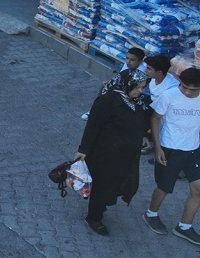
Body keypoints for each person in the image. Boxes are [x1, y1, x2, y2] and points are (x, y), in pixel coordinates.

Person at [75, 72, 153, 235]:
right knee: (102, 185)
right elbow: (93, 126)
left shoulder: (138, 101)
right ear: (127, 84)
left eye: (142, 87)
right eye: (137, 87)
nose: (140, 91)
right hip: (105, 154)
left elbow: (140, 121)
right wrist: (83, 150)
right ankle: (93, 217)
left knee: (116, 182)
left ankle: (101, 206)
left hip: (125, 154)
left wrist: (143, 136)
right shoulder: (108, 100)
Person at [143, 68, 200, 245]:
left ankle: (184, 226)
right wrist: (157, 148)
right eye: (184, 88)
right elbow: (155, 118)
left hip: (193, 150)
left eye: (194, 90)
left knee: (198, 189)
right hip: (169, 149)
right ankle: (151, 214)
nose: (188, 92)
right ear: (179, 83)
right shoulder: (169, 96)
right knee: (164, 187)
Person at [140, 55, 179, 155]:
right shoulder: (153, 79)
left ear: (159, 72)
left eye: (149, 69)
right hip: (155, 107)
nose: (145, 70)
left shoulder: (172, 87)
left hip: (167, 114)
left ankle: (151, 141)